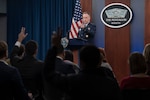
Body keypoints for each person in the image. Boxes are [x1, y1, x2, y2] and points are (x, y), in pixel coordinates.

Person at [43, 30, 122, 100]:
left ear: (82, 62)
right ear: (99, 61)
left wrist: (54, 47)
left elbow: (49, 74)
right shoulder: (111, 85)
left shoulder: (73, 81)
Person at [10, 27, 44, 100]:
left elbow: (13, 54)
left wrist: (19, 40)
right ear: (36, 51)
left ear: (25, 50)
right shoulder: (41, 65)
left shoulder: (17, 63)